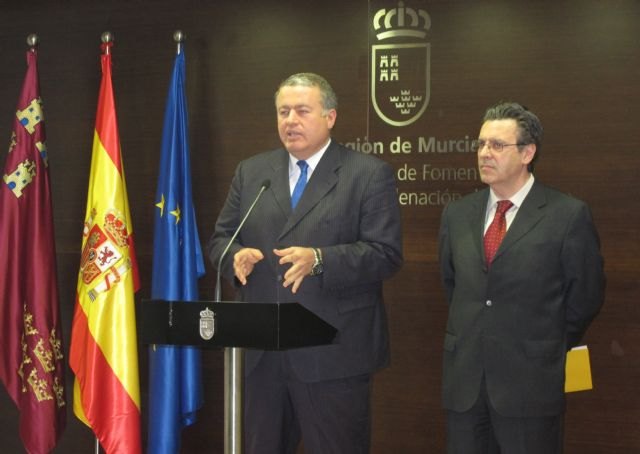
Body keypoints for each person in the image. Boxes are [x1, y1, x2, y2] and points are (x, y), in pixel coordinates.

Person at [207, 72, 403, 454]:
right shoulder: (252, 172)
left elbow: (386, 253)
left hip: (333, 353)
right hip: (263, 353)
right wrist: (234, 257)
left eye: (301, 111)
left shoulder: (367, 173)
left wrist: (320, 259)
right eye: (283, 112)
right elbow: (221, 238)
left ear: (330, 116)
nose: (290, 121)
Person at [438, 101, 605, 453]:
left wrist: (543, 344)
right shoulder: (457, 214)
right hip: (465, 383)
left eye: (498, 145)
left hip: (531, 383)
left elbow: (585, 297)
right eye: (481, 144)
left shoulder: (567, 215)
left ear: (528, 153)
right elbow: (453, 284)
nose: (485, 153)